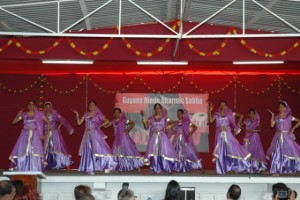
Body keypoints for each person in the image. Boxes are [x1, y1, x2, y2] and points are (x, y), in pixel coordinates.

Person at [72, 100, 116, 174]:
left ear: (95, 106)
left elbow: (107, 121)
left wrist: (99, 126)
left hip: (95, 134)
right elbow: (79, 123)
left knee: (101, 149)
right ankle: (90, 167)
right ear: (88, 106)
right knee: (88, 150)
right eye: (90, 105)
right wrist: (77, 114)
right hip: (87, 134)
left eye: (93, 105)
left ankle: (108, 164)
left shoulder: (98, 114)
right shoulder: (86, 114)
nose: (91, 106)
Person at [209, 100, 251, 174]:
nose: (222, 106)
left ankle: (235, 167)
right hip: (220, 136)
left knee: (232, 150)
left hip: (228, 135)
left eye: (224, 105)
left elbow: (241, 115)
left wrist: (238, 123)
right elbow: (211, 121)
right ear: (219, 106)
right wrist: (209, 111)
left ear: (226, 106)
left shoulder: (230, 113)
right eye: (221, 105)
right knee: (221, 151)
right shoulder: (217, 114)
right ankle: (222, 169)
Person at [9, 100, 50, 171]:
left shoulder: (39, 114)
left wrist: (46, 134)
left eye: (32, 104)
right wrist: (18, 115)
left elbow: (48, 122)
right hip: (24, 135)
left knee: (34, 151)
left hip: (34, 135)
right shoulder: (24, 114)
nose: (31, 106)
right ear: (27, 106)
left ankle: (35, 168)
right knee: (24, 151)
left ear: (34, 106)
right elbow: (13, 122)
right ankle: (23, 167)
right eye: (29, 104)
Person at [141, 103, 178, 173]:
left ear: (161, 109)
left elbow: (174, 123)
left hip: (162, 137)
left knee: (163, 152)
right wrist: (143, 117)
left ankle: (165, 167)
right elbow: (146, 127)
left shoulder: (165, 118)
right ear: (154, 109)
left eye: (159, 108)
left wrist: (168, 126)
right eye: (156, 108)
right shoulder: (151, 118)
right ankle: (155, 168)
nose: (157, 109)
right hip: (154, 137)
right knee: (154, 152)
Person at [267, 101, 300, 175]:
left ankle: (289, 168)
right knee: (277, 152)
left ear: (285, 108)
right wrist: (272, 115)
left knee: (291, 151)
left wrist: (293, 128)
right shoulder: (276, 116)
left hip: (286, 136)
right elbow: (272, 125)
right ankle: (277, 170)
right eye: (279, 107)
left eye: (282, 107)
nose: (280, 108)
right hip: (278, 136)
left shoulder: (289, 117)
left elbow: (299, 121)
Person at [44, 102, 74, 170]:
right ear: (45, 108)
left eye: (49, 107)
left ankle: (67, 164)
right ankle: (48, 165)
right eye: (46, 107)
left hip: (54, 134)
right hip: (46, 134)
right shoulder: (42, 115)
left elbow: (62, 120)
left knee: (58, 149)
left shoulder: (54, 114)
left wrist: (58, 127)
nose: (48, 108)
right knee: (47, 150)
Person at [240, 109, 267, 173]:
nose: (251, 115)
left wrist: (252, 131)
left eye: (253, 113)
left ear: (255, 114)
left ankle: (255, 167)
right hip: (247, 137)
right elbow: (239, 124)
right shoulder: (246, 121)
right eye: (250, 113)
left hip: (254, 137)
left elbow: (260, 130)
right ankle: (246, 167)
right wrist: (243, 127)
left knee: (254, 151)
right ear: (248, 114)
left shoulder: (256, 122)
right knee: (246, 151)